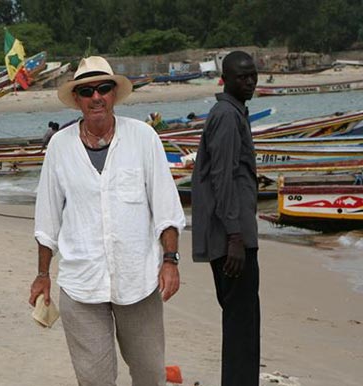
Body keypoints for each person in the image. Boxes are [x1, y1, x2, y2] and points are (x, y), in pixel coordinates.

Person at [29, 56, 186, 386]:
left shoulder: (143, 137)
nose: (96, 96)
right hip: (81, 285)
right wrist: (42, 275)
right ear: (77, 99)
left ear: (114, 94)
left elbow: (166, 208)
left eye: (103, 88)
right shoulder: (59, 146)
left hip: (139, 281)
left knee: (150, 375)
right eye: (87, 91)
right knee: (95, 381)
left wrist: (170, 261)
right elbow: (47, 218)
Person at [190, 50, 260, 386]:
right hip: (232, 238)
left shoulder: (234, 113)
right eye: (242, 77)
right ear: (226, 79)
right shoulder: (227, 116)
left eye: (253, 75)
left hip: (234, 234)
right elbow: (223, 176)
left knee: (241, 322)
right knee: (241, 324)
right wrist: (235, 236)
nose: (249, 82)